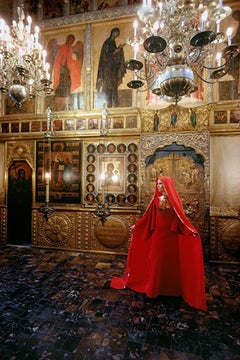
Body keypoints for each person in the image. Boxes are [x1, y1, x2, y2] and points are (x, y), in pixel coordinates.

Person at [110, 176, 207, 311]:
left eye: (161, 184)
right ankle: (153, 289)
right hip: (157, 237)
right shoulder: (155, 201)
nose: (159, 186)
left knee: (169, 264)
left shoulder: (175, 200)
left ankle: (169, 289)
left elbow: (181, 219)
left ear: (167, 185)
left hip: (171, 238)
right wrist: (137, 226)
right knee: (155, 261)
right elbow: (148, 218)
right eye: (158, 184)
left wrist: (191, 231)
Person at [96, 27, 126, 107]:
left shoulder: (112, 42)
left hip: (113, 68)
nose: (117, 35)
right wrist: (116, 51)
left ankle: (113, 103)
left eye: (118, 34)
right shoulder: (107, 43)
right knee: (108, 85)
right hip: (107, 68)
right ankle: (108, 103)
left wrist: (119, 49)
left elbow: (114, 55)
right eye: (116, 33)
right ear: (113, 33)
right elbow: (105, 56)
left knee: (113, 85)